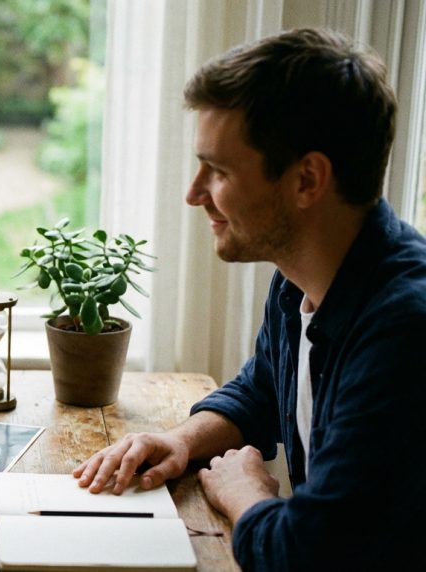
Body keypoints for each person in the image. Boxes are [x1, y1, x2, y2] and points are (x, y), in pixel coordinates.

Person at [72, 27, 426, 570]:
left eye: (218, 170)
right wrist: (182, 441)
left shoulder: (403, 331)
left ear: (307, 180)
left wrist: (244, 492)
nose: (194, 194)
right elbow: (264, 389)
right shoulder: (302, 277)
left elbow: (305, 554)